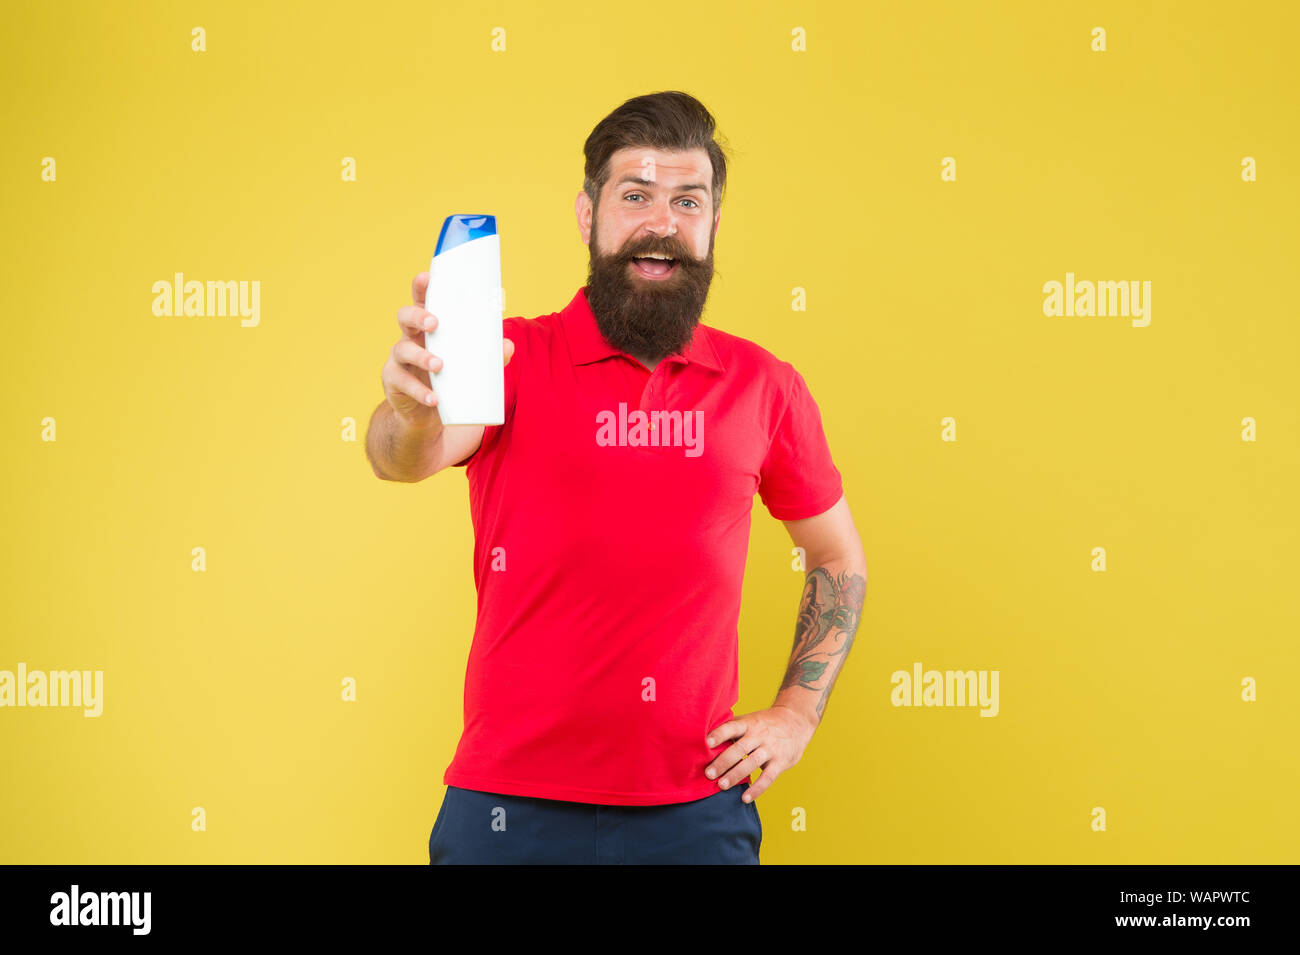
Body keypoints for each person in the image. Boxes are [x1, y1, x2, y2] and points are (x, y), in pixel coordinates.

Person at [366, 90, 867, 865]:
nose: (661, 222)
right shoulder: (505, 357)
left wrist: (797, 712)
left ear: (713, 223)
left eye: (687, 200)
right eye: (635, 195)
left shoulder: (765, 386)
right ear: (586, 215)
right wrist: (410, 408)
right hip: (507, 810)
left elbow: (837, 556)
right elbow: (404, 457)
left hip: (697, 814)